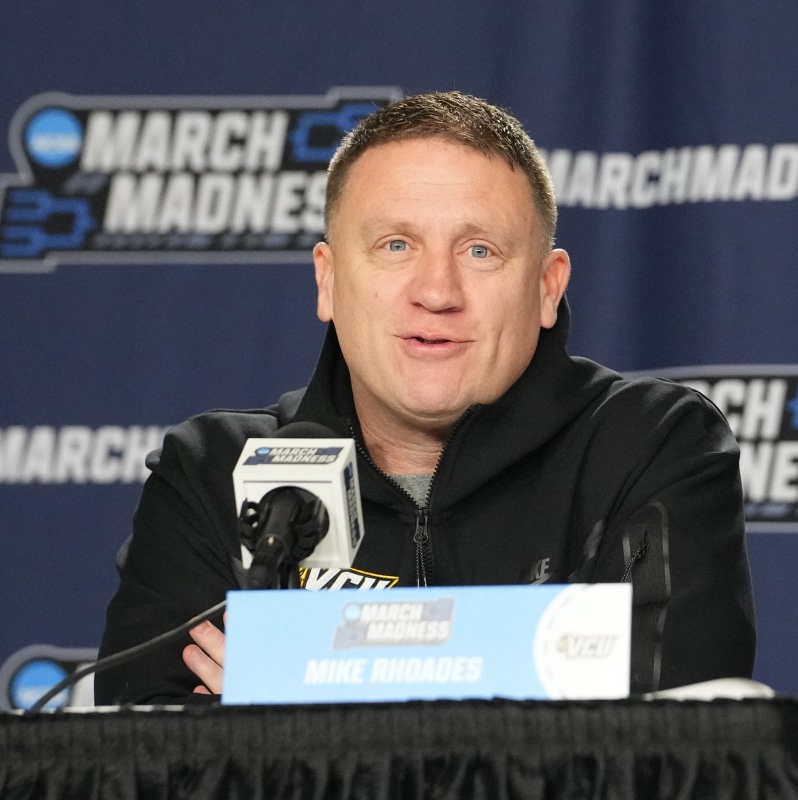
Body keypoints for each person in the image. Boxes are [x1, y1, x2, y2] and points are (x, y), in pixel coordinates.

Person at [95, 91, 754, 705]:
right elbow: (142, 770)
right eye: (396, 245)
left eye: (479, 249)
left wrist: (292, 710)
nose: (437, 290)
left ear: (548, 289)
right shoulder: (212, 473)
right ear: (327, 280)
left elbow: (676, 760)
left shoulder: (649, 448)